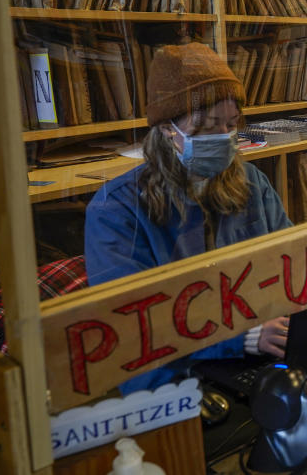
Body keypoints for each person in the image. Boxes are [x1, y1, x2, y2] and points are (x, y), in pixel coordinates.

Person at [85, 43, 293, 394]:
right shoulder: (115, 211)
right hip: (168, 379)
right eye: (209, 126)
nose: (224, 138)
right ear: (168, 129)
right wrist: (240, 338)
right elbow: (135, 327)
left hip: (254, 355)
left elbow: (292, 266)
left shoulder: (252, 183)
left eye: (230, 124)